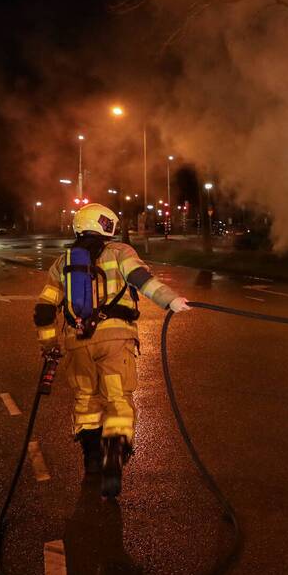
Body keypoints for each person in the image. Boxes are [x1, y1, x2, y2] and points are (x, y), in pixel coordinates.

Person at [34, 203, 191, 499]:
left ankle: (92, 459)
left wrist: (49, 345)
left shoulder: (61, 263)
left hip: (76, 344)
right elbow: (141, 280)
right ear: (105, 226)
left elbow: (44, 309)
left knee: (86, 401)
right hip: (115, 339)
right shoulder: (120, 252)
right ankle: (114, 454)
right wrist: (171, 301)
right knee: (117, 398)